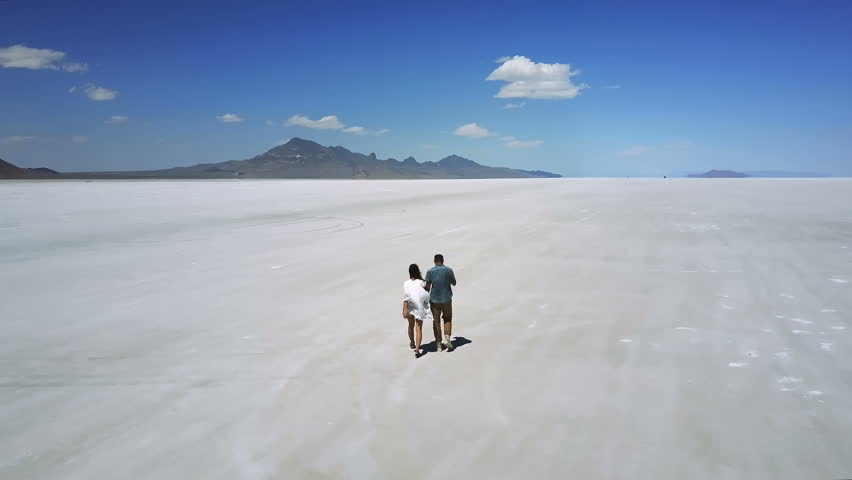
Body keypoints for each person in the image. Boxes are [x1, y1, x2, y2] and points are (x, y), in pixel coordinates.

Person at [425, 254, 457, 351]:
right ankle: (447, 337)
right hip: (447, 299)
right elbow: (454, 283)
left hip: (435, 300)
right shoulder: (449, 270)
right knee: (447, 318)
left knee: (436, 321)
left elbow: (427, 288)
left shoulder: (430, 272)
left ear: (434, 261)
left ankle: (438, 343)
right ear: (443, 261)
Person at [403, 264, 432, 358]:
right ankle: (417, 350)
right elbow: (427, 287)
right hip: (419, 308)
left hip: (410, 307)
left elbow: (406, 297)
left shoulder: (406, 283)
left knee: (410, 326)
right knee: (418, 329)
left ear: (409, 272)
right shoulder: (421, 282)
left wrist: (404, 310)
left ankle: (412, 342)